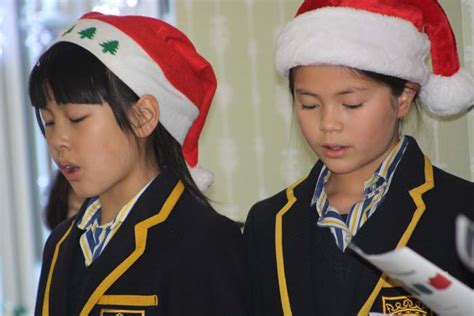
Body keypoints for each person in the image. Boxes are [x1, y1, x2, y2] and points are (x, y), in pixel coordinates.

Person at [244, 0, 474, 315]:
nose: (328, 124)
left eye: (351, 104)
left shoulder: (461, 213)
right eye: (309, 105)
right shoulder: (268, 223)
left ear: (404, 97)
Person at [31, 12, 246, 315]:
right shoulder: (61, 243)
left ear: (142, 117)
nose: (58, 140)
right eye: (49, 122)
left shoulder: (204, 242)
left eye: (77, 119)